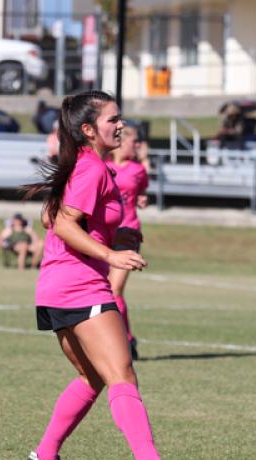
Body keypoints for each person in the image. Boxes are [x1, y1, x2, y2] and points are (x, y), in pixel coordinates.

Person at [22, 90, 201, 460]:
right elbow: (65, 225)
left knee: (92, 376)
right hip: (79, 283)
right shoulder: (91, 169)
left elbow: (52, 217)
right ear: (88, 130)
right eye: (112, 119)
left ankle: (44, 458)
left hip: (56, 285)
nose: (120, 125)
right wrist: (110, 254)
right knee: (121, 373)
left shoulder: (82, 166)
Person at [107, 124, 149, 360]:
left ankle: (125, 340)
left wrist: (141, 198)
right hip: (106, 234)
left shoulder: (138, 170)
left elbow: (141, 191)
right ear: (122, 142)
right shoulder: (105, 166)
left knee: (115, 289)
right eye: (135, 142)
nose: (138, 146)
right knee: (104, 290)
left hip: (129, 232)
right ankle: (123, 338)